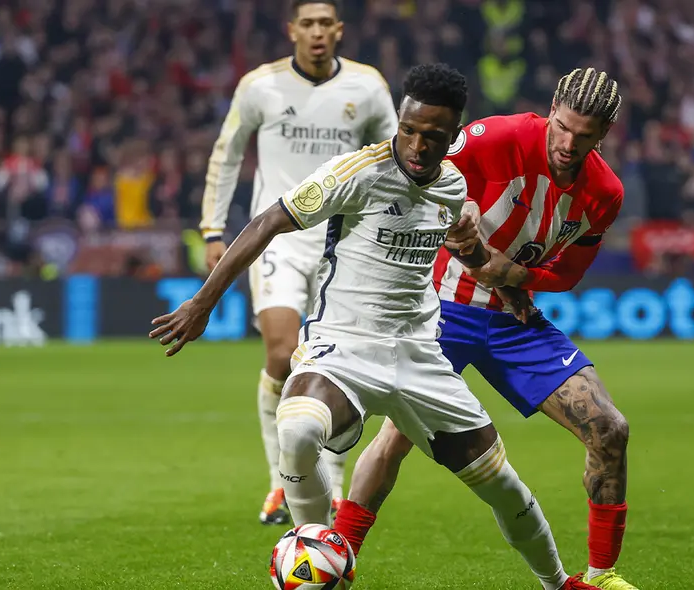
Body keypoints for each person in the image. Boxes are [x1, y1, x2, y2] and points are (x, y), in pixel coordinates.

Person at [152, 63, 588, 590]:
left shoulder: (453, 185)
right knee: (297, 429)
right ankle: (315, 562)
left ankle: (560, 583)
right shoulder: (355, 172)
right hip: (346, 346)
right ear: (399, 120)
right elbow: (268, 221)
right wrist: (203, 303)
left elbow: (466, 248)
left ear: (452, 136)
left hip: (422, 355)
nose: (417, 145)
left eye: (433, 136)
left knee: (503, 485)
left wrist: (511, 288)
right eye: (408, 130)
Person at [333, 68, 641, 590]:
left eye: (584, 136)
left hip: (515, 321)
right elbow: (423, 177)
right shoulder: (498, 137)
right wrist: (461, 218)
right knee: (397, 438)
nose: (568, 144)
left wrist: (511, 276)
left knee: (610, 429)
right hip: (441, 311)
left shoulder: (605, 192)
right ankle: (337, 563)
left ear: (604, 135)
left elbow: (568, 274)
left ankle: (602, 576)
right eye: (562, 127)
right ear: (551, 107)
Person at [199, 0, 399, 525]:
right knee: (284, 353)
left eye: (324, 25)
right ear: (292, 31)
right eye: (306, 24)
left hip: (343, 243)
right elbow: (227, 154)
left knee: (331, 362)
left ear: (339, 31)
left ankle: (329, 484)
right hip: (278, 239)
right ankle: (279, 483)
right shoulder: (260, 86)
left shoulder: (368, 88)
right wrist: (213, 230)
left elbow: (399, 159)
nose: (315, 33)